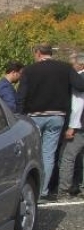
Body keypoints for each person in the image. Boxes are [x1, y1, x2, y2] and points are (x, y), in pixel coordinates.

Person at [16, 43, 84, 201]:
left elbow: (21, 96)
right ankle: (44, 191)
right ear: (51, 53)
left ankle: (30, 189)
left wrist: (19, 117)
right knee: (48, 154)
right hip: (57, 117)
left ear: (38, 53)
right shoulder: (65, 68)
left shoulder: (29, 70)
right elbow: (80, 86)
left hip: (33, 117)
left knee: (32, 153)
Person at [57, 52, 84, 199]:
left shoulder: (79, 80)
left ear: (80, 64)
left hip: (80, 125)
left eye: (73, 64)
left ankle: (64, 189)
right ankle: (80, 185)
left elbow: (78, 105)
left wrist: (72, 126)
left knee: (68, 157)